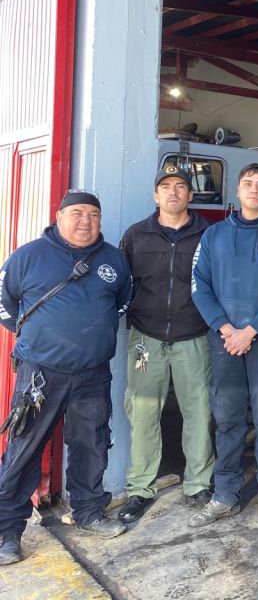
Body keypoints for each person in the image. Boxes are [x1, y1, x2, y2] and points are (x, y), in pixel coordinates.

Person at [0, 190, 133, 564]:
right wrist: (39, 339)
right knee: (24, 450)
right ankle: (6, 530)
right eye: (76, 213)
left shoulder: (113, 259)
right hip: (40, 376)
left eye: (93, 214)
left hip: (92, 374)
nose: (85, 221)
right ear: (58, 217)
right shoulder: (29, 257)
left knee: (92, 444)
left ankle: (89, 512)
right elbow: (6, 305)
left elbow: (122, 301)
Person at [189, 163, 258, 533]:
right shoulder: (214, 236)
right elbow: (199, 287)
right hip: (224, 342)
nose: (254, 189)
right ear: (237, 191)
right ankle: (225, 495)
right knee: (228, 420)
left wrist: (251, 330)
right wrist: (226, 328)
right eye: (248, 184)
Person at [117, 165, 214, 523]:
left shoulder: (209, 234)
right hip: (146, 338)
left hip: (195, 337)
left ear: (190, 195)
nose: (173, 192)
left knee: (199, 411)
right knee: (142, 413)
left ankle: (199, 482)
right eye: (165, 186)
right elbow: (120, 283)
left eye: (180, 186)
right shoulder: (135, 236)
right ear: (155, 196)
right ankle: (140, 488)